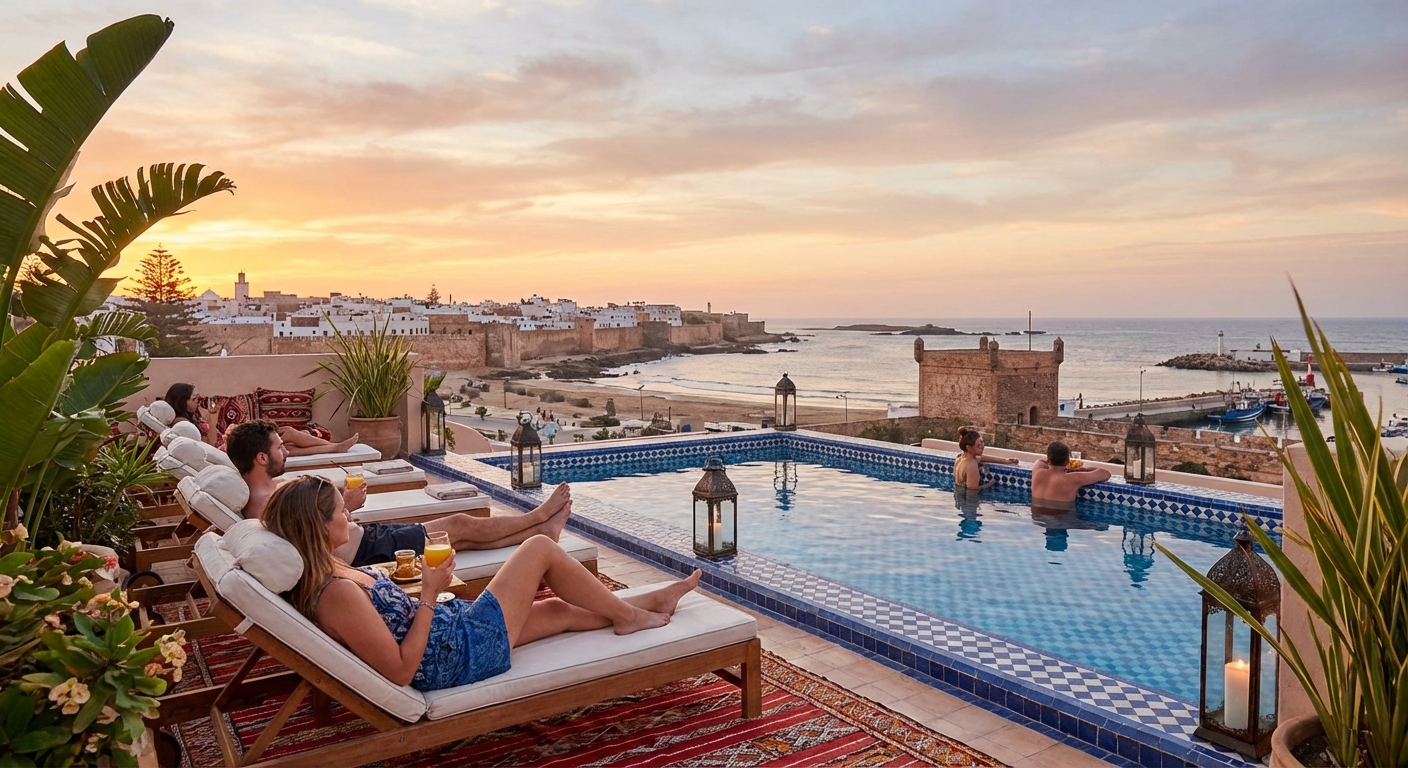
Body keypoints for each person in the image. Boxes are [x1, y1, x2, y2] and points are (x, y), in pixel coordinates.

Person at [263, 475, 702, 690]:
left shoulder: (329, 570)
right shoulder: (335, 592)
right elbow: (399, 671)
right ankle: (628, 616)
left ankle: (653, 600)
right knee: (537, 550)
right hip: (457, 653)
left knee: (556, 610)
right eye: (341, 512)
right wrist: (432, 592)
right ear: (318, 526)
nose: (349, 516)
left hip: (451, 634)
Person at [226, 420, 570, 567]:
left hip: (368, 539)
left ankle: (541, 532)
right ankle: (538, 517)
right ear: (260, 458)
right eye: (279, 448)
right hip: (370, 552)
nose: (285, 452)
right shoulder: (265, 505)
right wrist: (345, 505)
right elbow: (313, 543)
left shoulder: (265, 495)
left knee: (459, 540)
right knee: (462, 525)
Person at [1030, 441, 1110, 514]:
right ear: (1067, 461)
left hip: (1038, 518)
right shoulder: (1073, 478)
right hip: (1062, 520)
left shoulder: (1037, 472)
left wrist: (1052, 459)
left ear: (1048, 459)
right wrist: (1084, 469)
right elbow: (1105, 474)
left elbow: (1040, 461)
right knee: (1102, 527)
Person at [952, 426, 1018, 491]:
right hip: (967, 500)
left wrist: (1005, 460)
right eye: (978, 445)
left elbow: (981, 458)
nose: (982, 447)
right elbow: (972, 489)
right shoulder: (971, 465)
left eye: (982, 442)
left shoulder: (960, 458)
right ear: (968, 447)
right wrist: (989, 484)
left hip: (959, 496)